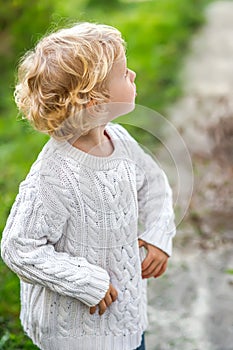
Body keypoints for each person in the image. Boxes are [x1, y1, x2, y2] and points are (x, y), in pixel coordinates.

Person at [1, 22, 176, 350]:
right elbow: (18, 247)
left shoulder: (119, 140)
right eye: (124, 73)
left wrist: (158, 234)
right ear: (93, 100)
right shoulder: (53, 178)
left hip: (125, 318)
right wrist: (86, 280)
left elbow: (153, 184)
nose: (133, 75)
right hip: (76, 334)